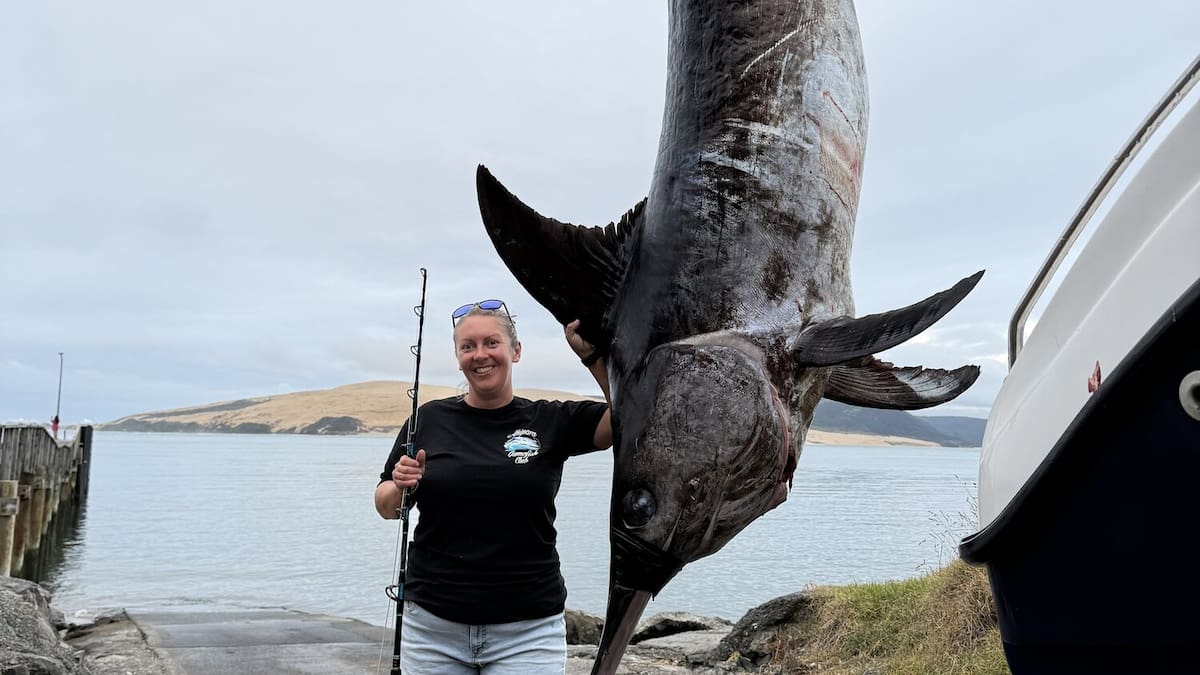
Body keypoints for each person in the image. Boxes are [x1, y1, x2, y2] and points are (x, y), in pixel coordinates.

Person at [374, 299, 612, 674]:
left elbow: (627, 417)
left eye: (492, 343)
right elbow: (386, 505)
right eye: (467, 346)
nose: (480, 355)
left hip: (529, 632)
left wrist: (594, 357)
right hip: (433, 630)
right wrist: (400, 485)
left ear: (515, 351)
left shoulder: (552, 420)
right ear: (458, 358)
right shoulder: (428, 419)